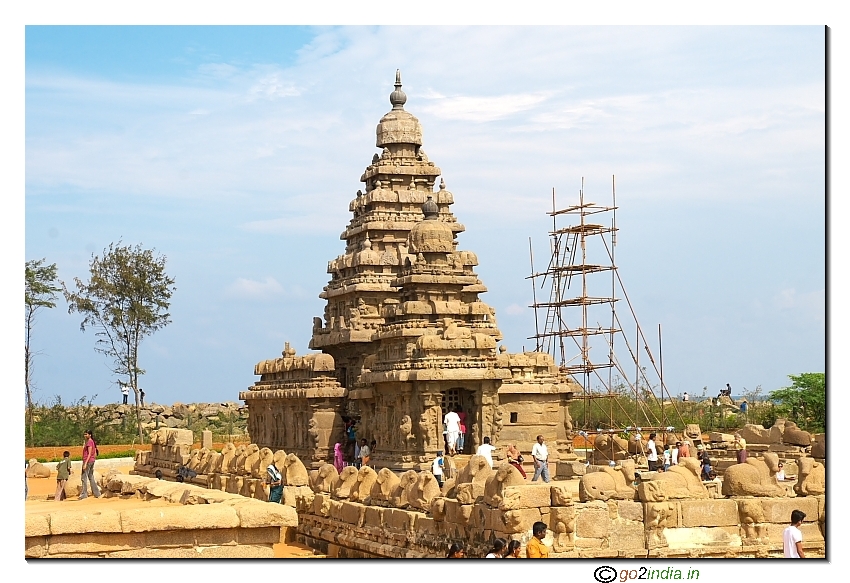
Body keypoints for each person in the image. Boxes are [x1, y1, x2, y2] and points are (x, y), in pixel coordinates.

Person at [79, 429, 101, 499]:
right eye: (84, 434)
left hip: (88, 461)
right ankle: (97, 493)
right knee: (91, 477)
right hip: (91, 460)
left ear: (90, 435)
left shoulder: (89, 442)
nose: (85, 435)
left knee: (83, 477)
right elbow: (93, 453)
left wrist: (85, 463)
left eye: (86, 434)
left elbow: (89, 453)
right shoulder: (92, 442)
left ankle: (84, 494)